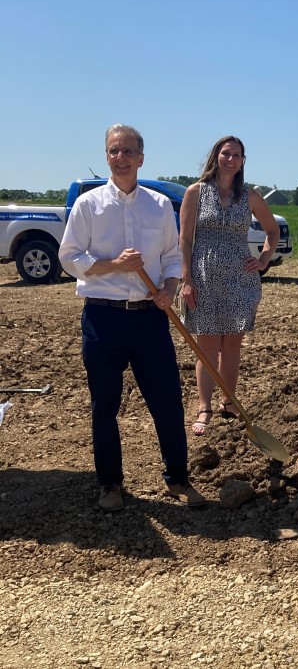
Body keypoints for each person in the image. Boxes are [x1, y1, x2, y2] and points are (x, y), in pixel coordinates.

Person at [59, 123, 206, 511]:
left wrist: (170, 289)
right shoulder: (88, 206)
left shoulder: (158, 206)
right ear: (106, 156)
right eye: (112, 151)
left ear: (141, 158)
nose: (119, 158)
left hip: (148, 320)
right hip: (102, 319)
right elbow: (69, 257)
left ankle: (178, 478)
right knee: (104, 406)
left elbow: (172, 258)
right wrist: (114, 266)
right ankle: (110, 484)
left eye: (127, 151)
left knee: (167, 402)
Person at [179, 136, 279, 435]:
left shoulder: (250, 196)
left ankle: (229, 401)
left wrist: (263, 259)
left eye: (237, 155)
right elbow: (184, 239)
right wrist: (186, 278)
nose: (231, 159)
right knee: (207, 345)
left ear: (242, 161)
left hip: (239, 278)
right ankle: (204, 407)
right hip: (204, 276)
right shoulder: (195, 192)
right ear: (216, 156)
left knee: (232, 344)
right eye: (226, 153)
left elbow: (272, 231)